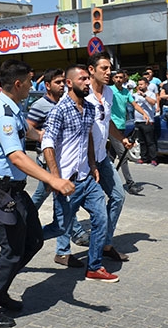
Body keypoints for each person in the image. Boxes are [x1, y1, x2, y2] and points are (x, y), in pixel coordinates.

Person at [0, 59, 74, 328]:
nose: (32, 86)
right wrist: (53, 179)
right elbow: (17, 158)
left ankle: (1, 291)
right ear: (18, 84)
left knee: (34, 241)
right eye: (29, 82)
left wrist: (47, 137)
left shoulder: (14, 108)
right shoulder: (2, 115)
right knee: (11, 252)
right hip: (1, 194)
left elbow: (28, 131)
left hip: (15, 193)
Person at [42, 64, 118, 282]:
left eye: (87, 79)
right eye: (82, 79)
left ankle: (94, 266)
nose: (87, 83)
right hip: (67, 183)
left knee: (101, 218)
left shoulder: (90, 108)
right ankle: (28, 238)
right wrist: (55, 178)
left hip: (86, 178)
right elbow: (47, 143)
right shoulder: (59, 110)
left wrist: (93, 164)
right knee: (60, 227)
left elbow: (89, 139)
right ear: (69, 83)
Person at [27, 68, 89, 267]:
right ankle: (26, 224)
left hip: (64, 163)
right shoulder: (41, 105)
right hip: (48, 162)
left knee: (60, 202)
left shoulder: (66, 103)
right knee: (51, 199)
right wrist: (43, 136)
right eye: (58, 82)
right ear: (47, 85)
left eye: (63, 82)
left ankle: (65, 243)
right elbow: (27, 128)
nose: (62, 85)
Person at [86, 52, 133, 262]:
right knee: (68, 206)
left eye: (109, 68)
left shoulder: (109, 94)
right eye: (103, 68)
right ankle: (63, 250)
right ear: (91, 70)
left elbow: (107, 122)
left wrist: (121, 139)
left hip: (102, 157)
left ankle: (106, 243)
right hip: (82, 161)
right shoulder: (82, 93)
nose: (108, 72)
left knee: (118, 196)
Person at [109, 71, 150, 194]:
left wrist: (144, 113)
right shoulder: (109, 90)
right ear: (113, 79)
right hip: (112, 127)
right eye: (116, 77)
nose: (119, 79)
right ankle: (130, 184)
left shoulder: (126, 92)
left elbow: (134, 104)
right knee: (123, 155)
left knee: (110, 157)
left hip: (121, 126)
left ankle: (103, 179)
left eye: (121, 77)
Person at [133, 77, 158, 165]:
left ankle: (153, 158)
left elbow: (153, 102)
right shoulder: (135, 94)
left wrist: (144, 96)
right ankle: (143, 158)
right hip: (138, 120)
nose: (139, 86)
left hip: (148, 121)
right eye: (138, 84)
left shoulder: (150, 93)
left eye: (141, 84)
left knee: (150, 141)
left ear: (146, 85)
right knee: (141, 141)